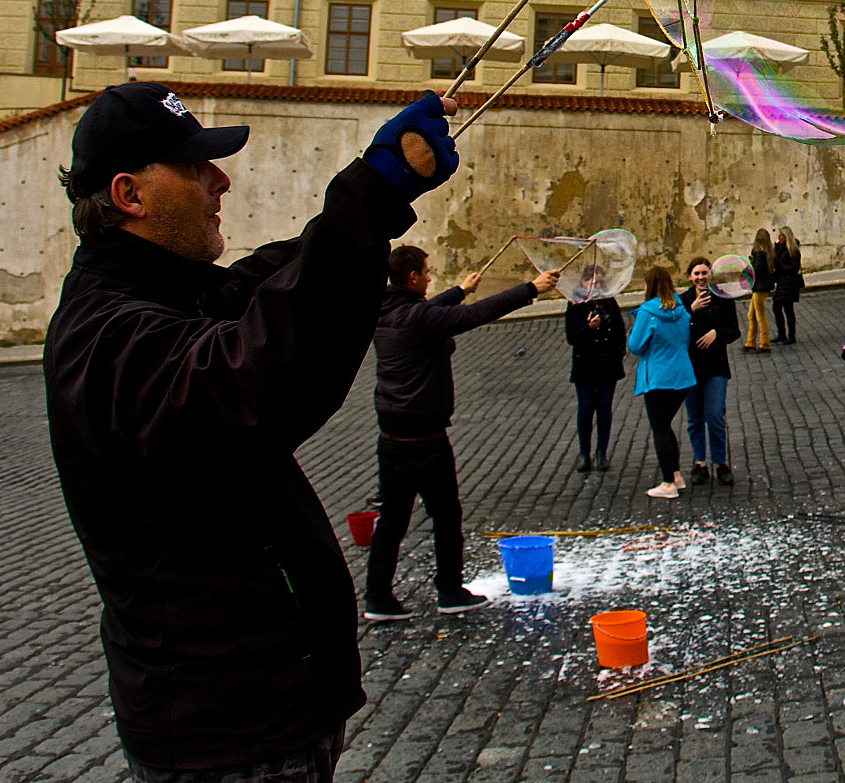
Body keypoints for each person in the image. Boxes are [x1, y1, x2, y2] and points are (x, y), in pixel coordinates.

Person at [44, 83, 462, 778]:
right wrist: (364, 202)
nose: (221, 180)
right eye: (194, 167)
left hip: (264, 707)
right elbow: (261, 372)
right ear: (129, 193)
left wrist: (379, 192)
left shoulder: (162, 292)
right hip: (228, 731)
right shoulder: (108, 334)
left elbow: (266, 281)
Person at [367, 247, 559, 621]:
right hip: (426, 440)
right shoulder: (418, 316)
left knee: (391, 520)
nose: (428, 277)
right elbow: (472, 317)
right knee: (446, 516)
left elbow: (426, 312)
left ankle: (376, 597)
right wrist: (530, 289)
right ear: (412, 278)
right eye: (425, 272)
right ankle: (450, 591)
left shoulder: (385, 313)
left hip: (390, 439)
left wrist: (459, 288)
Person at [629, 265, 696, 499]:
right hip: (683, 376)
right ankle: (676, 475)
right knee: (665, 425)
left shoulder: (648, 312)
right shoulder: (681, 307)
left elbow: (635, 346)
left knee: (660, 428)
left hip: (658, 377)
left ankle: (668, 483)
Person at [681, 256, 738, 484]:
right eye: (696, 274)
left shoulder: (722, 297)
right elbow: (675, 332)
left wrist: (717, 333)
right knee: (695, 417)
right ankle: (699, 463)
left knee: (714, 413)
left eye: (704, 273)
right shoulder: (683, 301)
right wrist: (691, 311)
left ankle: (720, 462)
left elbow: (734, 331)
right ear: (690, 277)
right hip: (690, 367)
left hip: (716, 365)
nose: (701, 277)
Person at [563, 280, 627, 471]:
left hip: (608, 365)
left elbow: (620, 331)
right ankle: (585, 453)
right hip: (585, 366)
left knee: (604, 409)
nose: (595, 285)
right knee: (586, 408)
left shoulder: (609, 302)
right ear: (582, 283)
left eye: (599, 281)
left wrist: (618, 354)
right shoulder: (575, 304)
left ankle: (601, 452)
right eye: (591, 281)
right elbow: (571, 338)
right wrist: (588, 328)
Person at [744, 227, 775, 351]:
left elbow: (757, 270)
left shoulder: (758, 253)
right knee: (751, 314)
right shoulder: (769, 252)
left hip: (759, 287)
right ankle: (750, 342)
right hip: (763, 286)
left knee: (759, 316)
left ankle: (765, 343)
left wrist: (749, 265)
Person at [770, 227, 803, 344]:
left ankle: (791, 335)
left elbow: (794, 268)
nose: (778, 238)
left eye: (780, 236)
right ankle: (781, 334)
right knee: (776, 307)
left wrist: (781, 267)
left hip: (790, 283)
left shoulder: (793, 251)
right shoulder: (780, 248)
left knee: (788, 310)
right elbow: (775, 260)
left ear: (786, 237)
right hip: (781, 283)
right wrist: (776, 247)